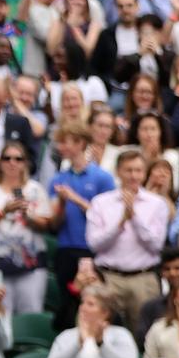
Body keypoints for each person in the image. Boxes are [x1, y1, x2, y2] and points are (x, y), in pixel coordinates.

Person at [85, 151, 170, 326]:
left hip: (143, 278)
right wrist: (120, 223)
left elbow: (156, 245)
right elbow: (94, 244)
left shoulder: (157, 204)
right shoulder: (100, 202)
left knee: (144, 334)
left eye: (138, 170)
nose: (133, 175)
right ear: (118, 172)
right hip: (108, 278)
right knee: (101, 329)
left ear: (145, 173)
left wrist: (134, 218)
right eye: (128, 170)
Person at [50, 121, 116, 330]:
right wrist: (61, 203)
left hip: (94, 249)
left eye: (65, 142)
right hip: (66, 249)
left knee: (97, 302)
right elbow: (54, 223)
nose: (61, 147)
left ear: (80, 144)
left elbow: (106, 217)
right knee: (67, 303)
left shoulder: (102, 177)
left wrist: (74, 198)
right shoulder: (58, 179)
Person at [0, 142, 51, 315]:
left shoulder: (35, 189)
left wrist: (29, 217)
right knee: (1, 313)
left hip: (31, 263)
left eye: (18, 159)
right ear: (0, 162)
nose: (12, 163)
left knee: (31, 311)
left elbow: (47, 224)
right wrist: (4, 211)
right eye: (7, 158)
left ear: (25, 163)